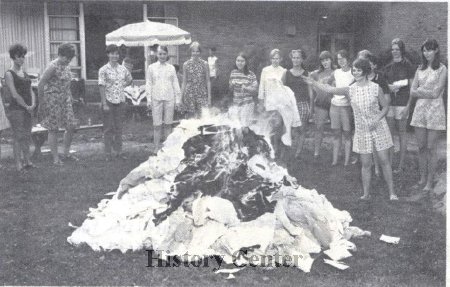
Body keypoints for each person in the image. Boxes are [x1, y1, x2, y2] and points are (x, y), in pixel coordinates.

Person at [304, 58, 398, 201]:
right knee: (366, 164)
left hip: (378, 126)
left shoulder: (375, 88)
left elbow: (385, 107)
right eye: (354, 70)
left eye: (359, 70)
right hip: (362, 130)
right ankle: (366, 194)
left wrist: (377, 118)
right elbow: (330, 89)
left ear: (366, 71)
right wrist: (313, 83)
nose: (355, 72)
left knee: (384, 160)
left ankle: (392, 193)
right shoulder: (350, 89)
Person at [406, 39, 447, 193]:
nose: (426, 53)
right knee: (421, 146)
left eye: (429, 50)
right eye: (424, 50)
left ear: (436, 50)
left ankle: (430, 182)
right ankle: (422, 178)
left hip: (435, 110)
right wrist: (423, 92)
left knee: (431, 148)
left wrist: (420, 91)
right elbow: (412, 91)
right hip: (420, 110)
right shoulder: (420, 68)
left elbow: (437, 93)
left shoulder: (442, 69)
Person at [38, 43, 77, 166]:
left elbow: (67, 83)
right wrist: (41, 102)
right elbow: (41, 84)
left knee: (71, 126)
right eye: (66, 58)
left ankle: (66, 153)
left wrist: (70, 97)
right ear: (60, 55)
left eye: (70, 59)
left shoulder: (67, 66)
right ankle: (55, 158)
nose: (68, 61)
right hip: (52, 100)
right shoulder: (52, 66)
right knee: (53, 129)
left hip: (65, 100)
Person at [384, 38, 416, 173]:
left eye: (397, 49)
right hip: (390, 103)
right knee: (390, 134)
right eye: (393, 49)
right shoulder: (388, 66)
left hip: (403, 103)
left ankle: (401, 165)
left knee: (402, 133)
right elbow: (383, 83)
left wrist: (409, 106)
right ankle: (390, 163)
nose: (395, 52)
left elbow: (413, 88)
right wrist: (388, 87)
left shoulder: (408, 65)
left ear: (402, 50)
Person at [358, 51, 391, 177]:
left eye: (371, 64)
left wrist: (379, 109)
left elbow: (387, 99)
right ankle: (371, 166)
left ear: (374, 65)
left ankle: (380, 167)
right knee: (368, 143)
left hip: (378, 114)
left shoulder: (380, 78)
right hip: (365, 115)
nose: (369, 66)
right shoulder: (361, 78)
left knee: (379, 143)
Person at [4, 44, 36, 171]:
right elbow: (14, 94)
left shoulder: (25, 73)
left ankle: (27, 161)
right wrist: (26, 106)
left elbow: (31, 90)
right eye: (19, 57)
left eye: (23, 56)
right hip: (16, 109)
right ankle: (18, 164)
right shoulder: (9, 74)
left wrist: (33, 104)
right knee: (18, 136)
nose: (21, 59)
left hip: (28, 108)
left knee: (27, 135)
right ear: (13, 57)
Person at [98, 44, 132, 161]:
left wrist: (123, 85)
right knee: (108, 128)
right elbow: (101, 86)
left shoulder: (123, 69)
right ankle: (108, 153)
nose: (115, 56)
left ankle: (118, 151)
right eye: (112, 53)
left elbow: (129, 79)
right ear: (108, 54)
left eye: (116, 53)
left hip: (120, 101)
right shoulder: (103, 70)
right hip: (108, 101)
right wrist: (104, 103)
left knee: (119, 128)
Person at [146, 46, 181, 153]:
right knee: (157, 125)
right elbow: (149, 84)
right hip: (156, 98)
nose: (162, 56)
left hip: (169, 98)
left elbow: (175, 83)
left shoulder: (171, 68)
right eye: (160, 54)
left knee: (168, 124)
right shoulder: (151, 68)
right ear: (157, 55)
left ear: (167, 55)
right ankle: (156, 148)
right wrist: (149, 99)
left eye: (164, 54)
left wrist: (178, 100)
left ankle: (168, 148)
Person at [258, 49, 287, 160]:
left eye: (277, 58)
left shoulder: (284, 71)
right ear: (270, 59)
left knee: (278, 127)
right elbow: (262, 87)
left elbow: (285, 88)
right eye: (273, 58)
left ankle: (276, 148)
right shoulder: (265, 70)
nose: (275, 60)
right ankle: (268, 149)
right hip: (268, 103)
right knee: (269, 126)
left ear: (281, 59)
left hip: (279, 104)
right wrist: (261, 102)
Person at [285, 49, 313, 158]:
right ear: (291, 59)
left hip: (303, 104)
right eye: (294, 58)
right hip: (291, 105)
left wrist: (311, 108)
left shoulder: (306, 73)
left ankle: (298, 153)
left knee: (301, 128)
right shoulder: (287, 73)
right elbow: (283, 90)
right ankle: (293, 148)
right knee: (293, 129)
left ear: (302, 59)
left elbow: (310, 92)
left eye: (298, 58)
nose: (296, 60)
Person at [329, 50, 354, 166]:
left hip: (346, 107)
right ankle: (334, 160)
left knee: (347, 133)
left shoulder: (353, 72)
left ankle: (346, 161)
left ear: (348, 59)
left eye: (343, 58)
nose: (341, 61)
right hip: (334, 106)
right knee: (336, 133)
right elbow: (328, 84)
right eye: (339, 59)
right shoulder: (336, 72)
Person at [310, 51, 334, 160]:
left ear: (331, 60)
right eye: (323, 60)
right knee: (319, 127)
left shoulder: (337, 72)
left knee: (337, 129)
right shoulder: (316, 74)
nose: (325, 62)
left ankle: (337, 152)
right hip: (320, 103)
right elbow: (309, 81)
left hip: (334, 104)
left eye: (327, 59)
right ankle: (316, 153)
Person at [181, 42, 211, 119]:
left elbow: (208, 81)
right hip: (189, 93)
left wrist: (209, 97)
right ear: (190, 52)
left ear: (200, 52)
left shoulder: (205, 64)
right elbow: (184, 82)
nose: (195, 53)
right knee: (191, 118)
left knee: (202, 117)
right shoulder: (186, 64)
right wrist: (181, 97)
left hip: (201, 93)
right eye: (193, 51)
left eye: (197, 51)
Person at [228, 52, 258, 127]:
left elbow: (255, 90)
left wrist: (246, 88)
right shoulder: (233, 73)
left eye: (242, 61)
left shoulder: (251, 74)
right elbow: (230, 89)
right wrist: (232, 84)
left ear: (246, 62)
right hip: (236, 104)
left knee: (244, 126)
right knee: (236, 126)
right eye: (238, 60)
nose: (240, 63)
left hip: (247, 104)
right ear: (235, 62)